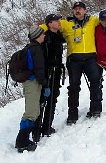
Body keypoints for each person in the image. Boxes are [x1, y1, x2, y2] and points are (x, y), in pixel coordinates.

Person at [59, 1, 103, 124]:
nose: (78, 11)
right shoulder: (66, 23)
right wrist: (40, 27)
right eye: (75, 9)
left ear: (85, 10)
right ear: (73, 11)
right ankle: (72, 115)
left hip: (90, 58)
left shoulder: (93, 21)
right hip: (74, 60)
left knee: (95, 82)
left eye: (80, 9)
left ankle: (96, 109)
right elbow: (52, 24)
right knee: (73, 87)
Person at [15, 25, 50, 153]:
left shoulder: (30, 48)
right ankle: (22, 141)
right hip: (32, 83)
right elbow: (39, 70)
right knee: (31, 112)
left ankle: (23, 140)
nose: (44, 35)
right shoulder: (36, 49)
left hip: (30, 82)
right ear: (37, 36)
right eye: (42, 34)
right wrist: (45, 85)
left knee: (33, 111)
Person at [32, 14, 65, 142]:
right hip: (47, 72)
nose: (59, 22)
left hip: (55, 72)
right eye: (56, 21)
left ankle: (46, 127)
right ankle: (37, 130)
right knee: (43, 100)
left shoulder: (58, 36)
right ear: (50, 23)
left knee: (52, 98)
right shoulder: (45, 37)